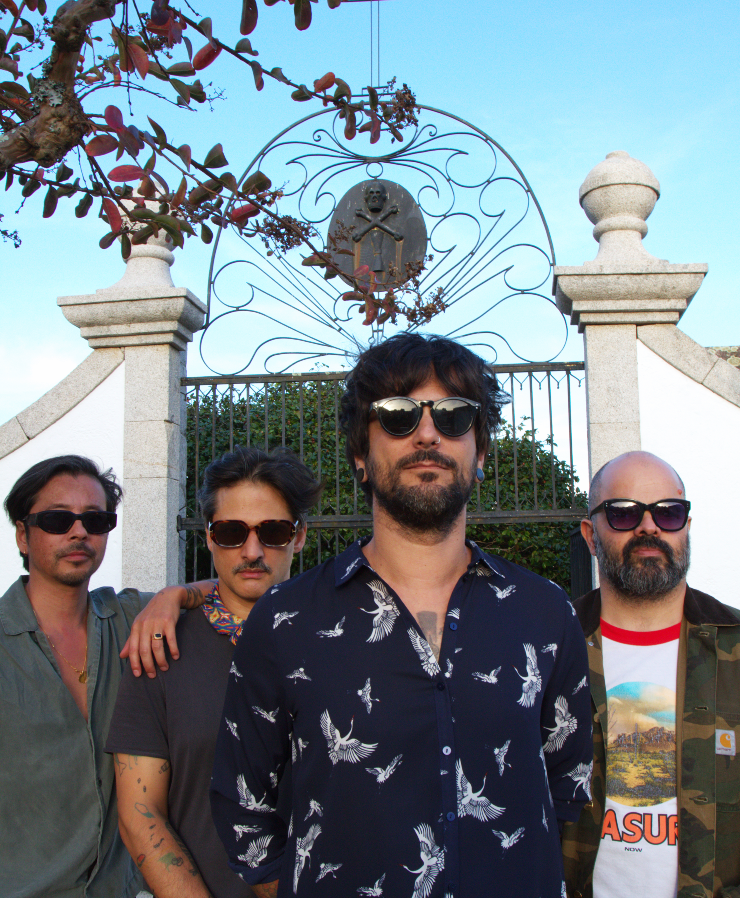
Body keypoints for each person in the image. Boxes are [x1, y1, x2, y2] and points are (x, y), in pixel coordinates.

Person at [211, 334, 593, 898]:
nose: (428, 433)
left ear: (481, 453)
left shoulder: (545, 613)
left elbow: (567, 782)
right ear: (360, 456)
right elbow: (244, 806)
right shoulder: (284, 621)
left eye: (454, 416)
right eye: (397, 416)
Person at [106, 446, 321, 898]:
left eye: (273, 531)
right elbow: (140, 814)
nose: (252, 551)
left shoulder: (338, 639)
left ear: (299, 536)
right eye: (231, 532)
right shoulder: (159, 646)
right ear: (208, 536)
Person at [0, 454, 214, 898]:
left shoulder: (131, 617)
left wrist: (176, 595)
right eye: (58, 519)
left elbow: (232, 591)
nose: (79, 532)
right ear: (23, 534)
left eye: (96, 520)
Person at [562, 451, 740, 898]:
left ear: (686, 527)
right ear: (590, 534)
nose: (649, 527)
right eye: (623, 513)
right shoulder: (549, 649)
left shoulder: (735, 650)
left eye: (668, 512)